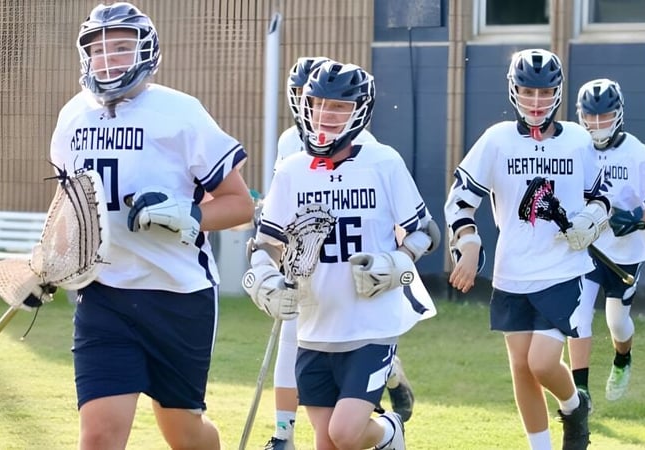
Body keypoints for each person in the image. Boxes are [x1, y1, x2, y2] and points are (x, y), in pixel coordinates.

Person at [49, 3, 255, 449]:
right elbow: (69, 204)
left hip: (178, 296)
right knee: (99, 435)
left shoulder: (181, 113)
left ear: (146, 51)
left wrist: (189, 215)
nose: (109, 59)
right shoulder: (72, 117)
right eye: (99, 49)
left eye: (122, 47)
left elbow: (241, 206)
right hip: (104, 295)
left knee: (184, 434)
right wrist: (48, 264)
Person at [244, 61, 439, 450]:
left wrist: (396, 263)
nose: (326, 115)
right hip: (315, 326)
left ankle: (389, 432)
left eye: (339, 107)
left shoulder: (382, 162)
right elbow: (266, 239)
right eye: (318, 104)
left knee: (345, 432)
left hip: (371, 324)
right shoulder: (292, 169)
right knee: (326, 442)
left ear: (359, 111)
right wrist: (263, 279)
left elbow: (427, 231)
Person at [445, 48, 603, 450]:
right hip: (512, 270)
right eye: (527, 91)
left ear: (558, 92)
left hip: (563, 270)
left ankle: (573, 404)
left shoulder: (578, 140)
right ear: (513, 91)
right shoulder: (496, 140)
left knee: (542, 362)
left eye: (545, 92)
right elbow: (460, 199)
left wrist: (593, 218)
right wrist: (468, 241)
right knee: (521, 367)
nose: (536, 101)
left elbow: (601, 197)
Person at [566, 79, 645, 405]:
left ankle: (622, 358)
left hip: (624, 253)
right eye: (590, 117)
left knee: (617, 323)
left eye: (604, 116)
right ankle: (581, 392)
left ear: (618, 115)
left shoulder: (635, 151)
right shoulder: (574, 148)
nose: (596, 124)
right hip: (588, 250)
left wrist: (638, 215)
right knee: (577, 318)